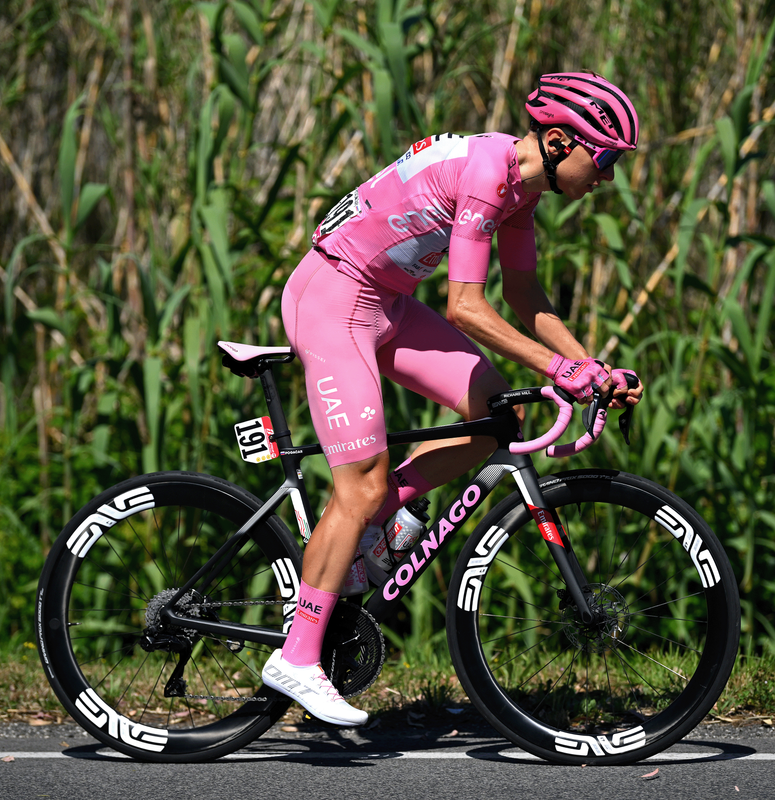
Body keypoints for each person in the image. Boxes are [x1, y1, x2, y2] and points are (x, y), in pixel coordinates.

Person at [263, 73, 645, 725]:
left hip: (384, 304)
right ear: (559, 142)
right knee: (356, 485)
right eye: (605, 159)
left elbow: (526, 296)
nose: (608, 176)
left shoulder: (522, 192)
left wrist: (590, 366)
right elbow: (465, 306)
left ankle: (381, 520)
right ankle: (297, 656)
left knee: (498, 415)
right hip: (332, 299)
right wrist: (558, 369)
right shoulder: (486, 175)